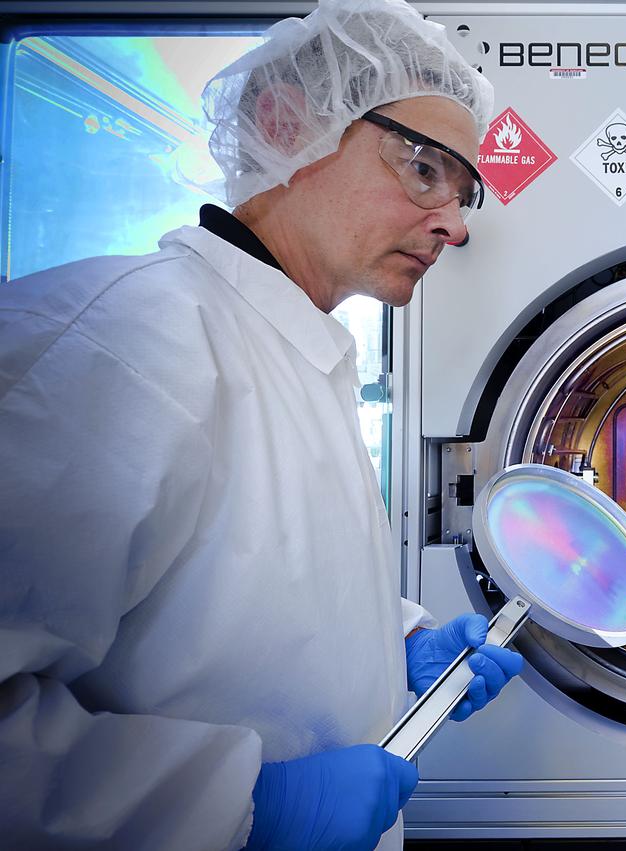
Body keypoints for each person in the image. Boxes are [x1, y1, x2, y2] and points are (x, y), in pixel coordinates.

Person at [0, 1, 522, 848]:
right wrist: (239, 803)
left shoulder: (295, 352)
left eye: (465, 195)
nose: (457, 225)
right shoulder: (120, 343)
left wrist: (397, 643)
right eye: (425, 168)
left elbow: (241, 581)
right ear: (290, 128)